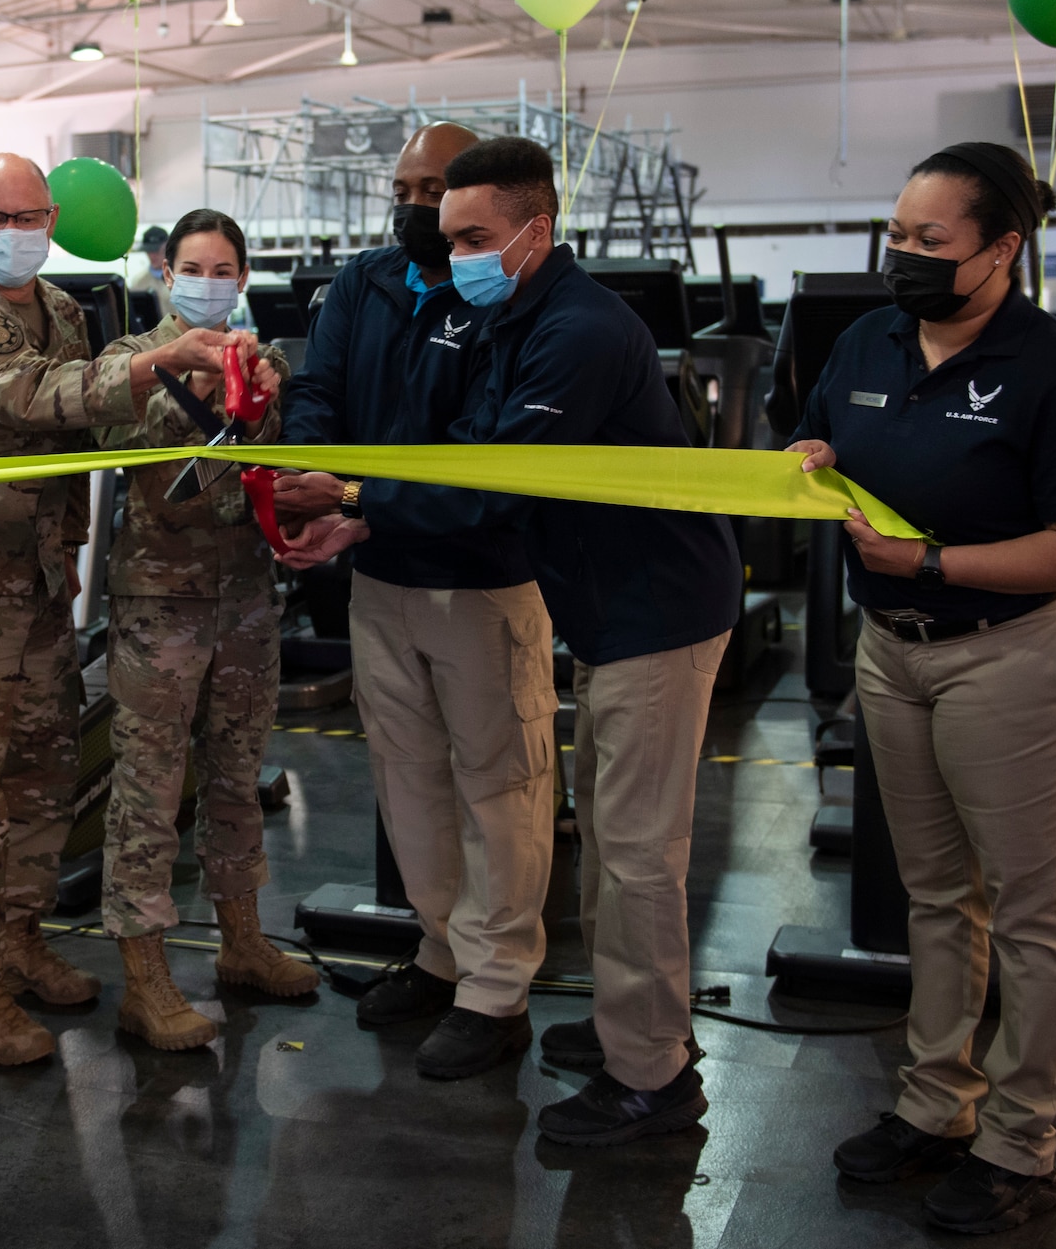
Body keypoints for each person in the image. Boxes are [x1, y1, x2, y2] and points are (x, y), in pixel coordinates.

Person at [283, 137, 742, 1142]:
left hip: (645, 608)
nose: (451, 255)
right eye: (437, 231)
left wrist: (357, 493)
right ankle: (635, 1030)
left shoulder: (571, 329)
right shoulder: (506, 309)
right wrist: (359, 513)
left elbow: (489, 475)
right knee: (604, 841)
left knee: (625, 850)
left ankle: (651, 1078)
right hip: (595, 601)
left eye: (469, 233)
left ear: (534, 231)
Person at [790, 142, 1056, 1235]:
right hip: (890, 649)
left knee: (1027, 904)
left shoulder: (1049, 367)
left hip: (1014, 649)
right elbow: (813, 432)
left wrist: (930, 564)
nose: (902, 254)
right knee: (935, 894)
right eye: (895, 233)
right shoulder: (867, 335)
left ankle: (1019, 1138)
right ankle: (937, 1100)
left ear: (999, 249)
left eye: (927, 241)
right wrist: (803, 451)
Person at [0, 154, 249, 1067]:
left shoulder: (66, 312)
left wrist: (197, 399)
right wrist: (162, 358)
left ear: (52, 216)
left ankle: (15, 937)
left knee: (40, 775)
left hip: (40, 581)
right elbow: (31, 398)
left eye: (28, 215)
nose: (14, 231)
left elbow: (96, 431)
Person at [274, 122, 559, 1081]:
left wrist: (354, 503)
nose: (415, 203)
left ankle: (498, 986)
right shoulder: (362, 283)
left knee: (500, 786)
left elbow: (480, 452)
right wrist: (311, 478)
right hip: (380, 574)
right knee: (410, 781)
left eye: (434, 186)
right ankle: (444, 951)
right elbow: (321, 391)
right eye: (403, 184)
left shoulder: (505, 297)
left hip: (480, 578)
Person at [90, 208, 315, 1051]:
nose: (209, 282)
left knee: (237, 774)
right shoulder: (126, 362)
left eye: (225, 269)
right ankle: (145, 979)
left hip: (247, 598)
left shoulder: (270, 364)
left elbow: (286, 457)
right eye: (194, 266)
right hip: (160, 603)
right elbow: (118, 433)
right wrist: (184, 372)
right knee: (148, 788)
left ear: (244, 279)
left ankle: (243, 941)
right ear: (164, 271)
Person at [126, 225, 173, 324]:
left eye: (156, 250)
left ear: (167, 247)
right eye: (148, 251)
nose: (152, 255)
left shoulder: (180, 277)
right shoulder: (138, 281)